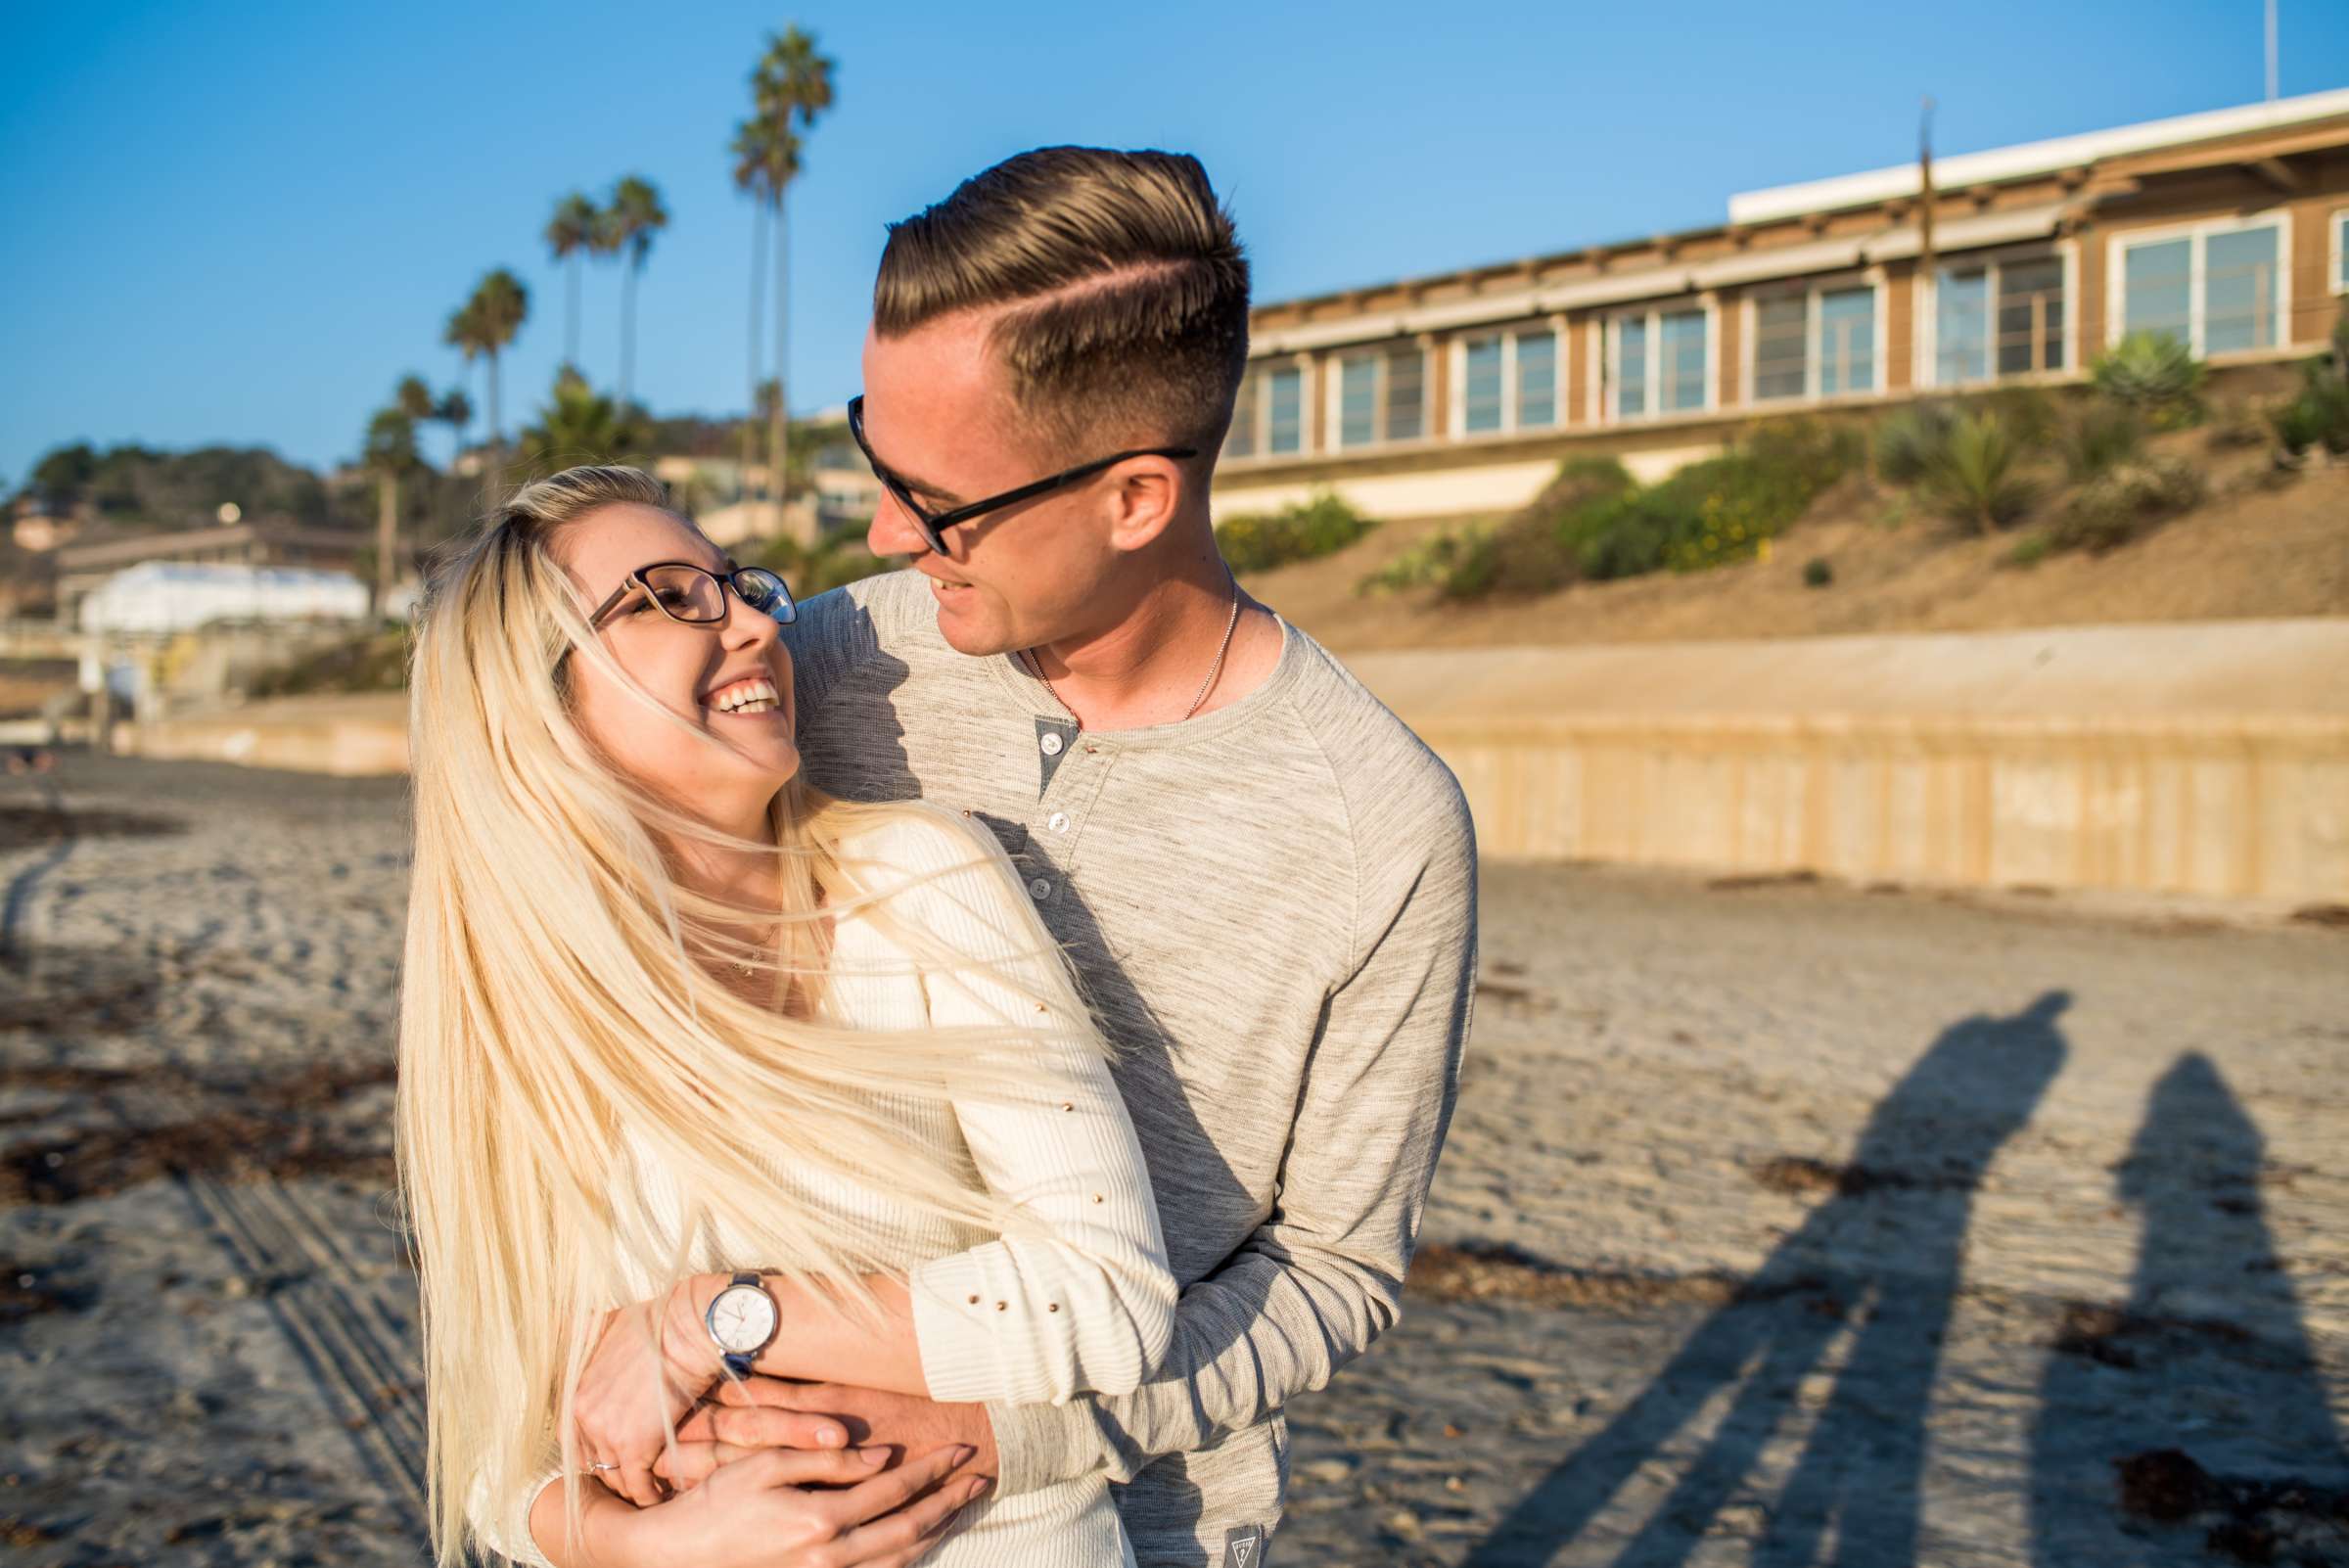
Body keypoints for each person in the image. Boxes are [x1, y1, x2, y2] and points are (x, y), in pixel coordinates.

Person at [665, 146, 1480, 1567]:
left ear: (1137, 498)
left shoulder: (1381, 823)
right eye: (875, 454)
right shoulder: (824, 672)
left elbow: (1335, 1270)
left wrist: (1016, 1432)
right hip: (744, 1496)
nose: (882, 532)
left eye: (941, 500)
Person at [395, 464, 1180, 1568]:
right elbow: (495, 1457)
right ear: (536, 699)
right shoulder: (519, 1010)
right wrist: (647, 1548)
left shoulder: (920, 878)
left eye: (741, 586)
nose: (759, 624)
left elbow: (1105, 1296)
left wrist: (712, 1321)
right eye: (670, 597)